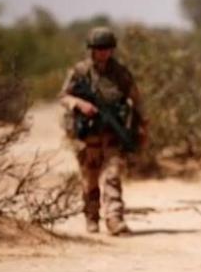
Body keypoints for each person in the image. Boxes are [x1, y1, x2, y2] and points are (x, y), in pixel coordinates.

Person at [59, 26, 147, 236]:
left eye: (107, 48)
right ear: (91, 49)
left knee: (112, 174)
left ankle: (114, 218)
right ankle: (91, 216)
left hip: (111, 132)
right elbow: (64, 96)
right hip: (88, 134)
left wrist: (143, 124)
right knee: (90, 177)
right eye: (99, 49)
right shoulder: (80, 72)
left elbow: (136, 99)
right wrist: (81, 104)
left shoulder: (120, 73)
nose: (104, 53)